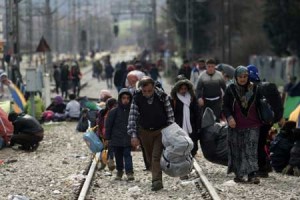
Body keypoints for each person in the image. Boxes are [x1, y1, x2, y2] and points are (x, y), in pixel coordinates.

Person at [128, 76, 174, 191]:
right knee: (149, 158)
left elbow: (170, 115)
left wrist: (171, 132)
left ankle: (157, 181)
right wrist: (133, 135)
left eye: (149, 91)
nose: (147, 93)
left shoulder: (162, 97)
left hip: (160, 131)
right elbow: (132, 117)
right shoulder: (137, 97)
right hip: (144, 132)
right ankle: (155, 172)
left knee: (155, 156)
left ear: (153, 88)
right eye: (144, 91)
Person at [222, 66, 262, 184]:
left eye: (245, 76)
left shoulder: (254, 88)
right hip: (236, 125)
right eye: (240, 77)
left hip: (253, 124)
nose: (243, 79)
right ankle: (239, 174)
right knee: (237, 150)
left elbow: (261, 104)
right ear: (236, 77)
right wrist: (229, 117)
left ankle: (252, 174)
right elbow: (225, 106)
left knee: (251, 150)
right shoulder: (231, 89)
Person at [247, 64, 284, 177]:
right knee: (261, 142)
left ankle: (262, 168)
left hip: (257, 121)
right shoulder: (267, 86)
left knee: (257, 144)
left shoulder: (252, 87)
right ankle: (265, 166)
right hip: (268, 120)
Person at [105, 89, 134, 180]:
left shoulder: (132, 111)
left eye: (128, 98)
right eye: (124, 98)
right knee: (118, 156)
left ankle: (129, 172)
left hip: (127, 137)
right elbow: (108, 125)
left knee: (127, 154)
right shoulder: (114, 111)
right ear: (120, 99)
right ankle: (119, 171)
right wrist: (107, 138)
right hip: (116, 138)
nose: (126, 100)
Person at [170, 78, 200, 157]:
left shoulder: (192, 98)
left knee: (193, 144)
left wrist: (198, 125)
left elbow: (197, 112)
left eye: (185, 89)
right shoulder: (174, 99)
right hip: (178, 125)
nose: (183, 91)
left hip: (191, 125)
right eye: (181, 89)